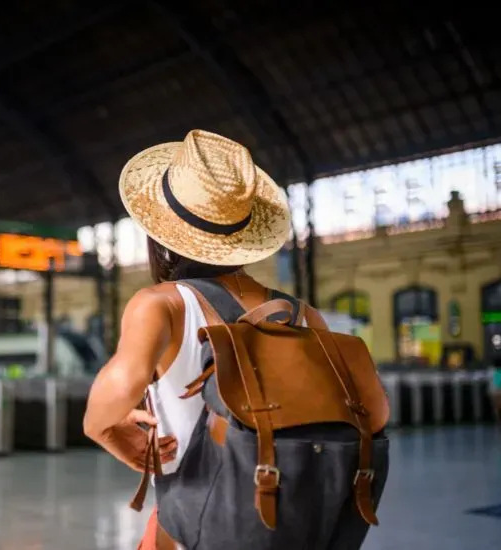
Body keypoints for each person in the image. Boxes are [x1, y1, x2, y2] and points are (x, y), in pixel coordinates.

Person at [83, 130, 387, 550]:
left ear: (159, 231)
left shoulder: (161, 304)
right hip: (288, 522)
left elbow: (121, 385)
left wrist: (104, 430)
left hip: (197, 527)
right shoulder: (302, 314)